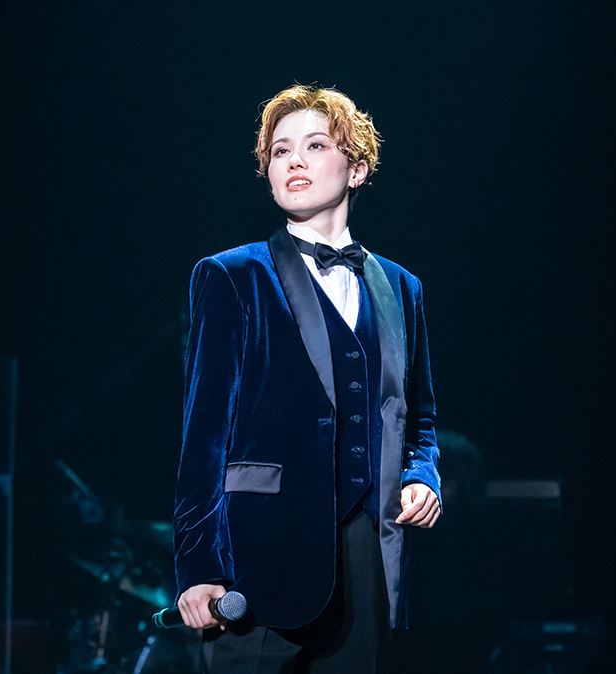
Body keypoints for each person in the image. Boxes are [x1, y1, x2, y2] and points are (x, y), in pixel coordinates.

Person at [172, 84, 441, 673]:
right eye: (279, 151)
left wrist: (423, 477)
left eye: (315, 145)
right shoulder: (231, 276)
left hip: (366, 556)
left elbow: (419, 420)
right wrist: (199, 566)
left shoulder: (402, 288)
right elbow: (204, 434)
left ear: (358, 169)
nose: (293, 160)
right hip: (257, 557)